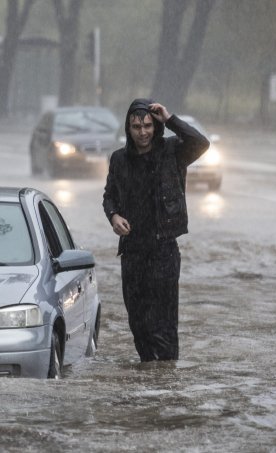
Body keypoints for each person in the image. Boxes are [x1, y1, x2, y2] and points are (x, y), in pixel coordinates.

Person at [102, 98, 210, 362]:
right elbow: (109, 196)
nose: (143, 132)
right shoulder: (119, 159)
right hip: (132, 252)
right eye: (136, 126)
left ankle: (165, 379)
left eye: (148, 126)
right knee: (138, 323)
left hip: (163, 251)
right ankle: (149, 373)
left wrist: (169, 118)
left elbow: (201, 143)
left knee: (163, 323)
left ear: (155, 125)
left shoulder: (172, 152)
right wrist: (113, 216)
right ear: (128, 128)